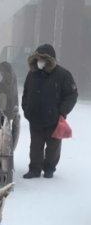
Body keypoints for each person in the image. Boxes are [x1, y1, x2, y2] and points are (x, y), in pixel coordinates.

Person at [22, 44, 78, 179]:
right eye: (37, 58)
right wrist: (26, 109)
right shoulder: (32, 73)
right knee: (35, 146)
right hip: (35, 117)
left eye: (42, 59)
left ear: (50, 60)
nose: (40, 61)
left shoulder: (63, 74)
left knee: (53, 147)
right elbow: (26, 92)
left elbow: (72, 94)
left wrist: (62, 111)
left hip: (54, 118)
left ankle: (49, 168)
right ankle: (35, 168)